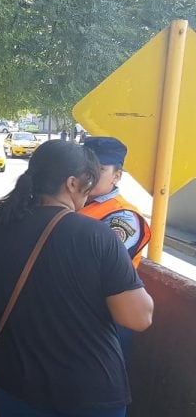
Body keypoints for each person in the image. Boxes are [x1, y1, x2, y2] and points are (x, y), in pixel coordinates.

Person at [0, 140, 154, 416]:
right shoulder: (98, 234)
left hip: (16, 379)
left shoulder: (1, 223)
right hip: (86, 389)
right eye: (90, 178)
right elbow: (138, 318)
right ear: (72, 184)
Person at [80, 137, 151, 358]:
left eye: (99, 169)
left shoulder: (122, 217)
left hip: (102, 320)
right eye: (84, 168)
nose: (88, 176)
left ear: (117, 175)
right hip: (72, 315)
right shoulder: (74, 202)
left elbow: (95, 269)